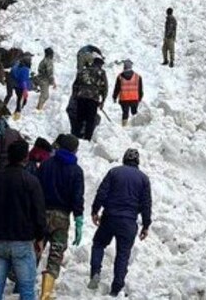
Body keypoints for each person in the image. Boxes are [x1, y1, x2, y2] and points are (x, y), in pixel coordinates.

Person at [0, 140, 47, 300]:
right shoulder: (31, 181)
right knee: (26, 289)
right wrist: (40, 237)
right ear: (25, 157)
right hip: (22, 242)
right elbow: (39, 213)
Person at [88, 148, 152, 297]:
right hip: (129, 222)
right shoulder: (143, 179)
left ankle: (95, 272)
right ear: (137, 162)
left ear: (124, 159)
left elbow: (101, 192)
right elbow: (146, 204)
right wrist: (146, 225)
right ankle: (116, 288)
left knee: (98, 244)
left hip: (109, 218)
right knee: (123, 254)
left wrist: (95, 211)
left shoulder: (114, 172)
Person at [37, 134, 85, 299]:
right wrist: (78, 218)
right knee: (56, 253)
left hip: (42, 214)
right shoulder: (76, 171)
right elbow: (77, 197)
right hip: (62, 217)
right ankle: (46, 293)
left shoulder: (46, 164)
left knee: (35, 248)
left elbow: (36, 188)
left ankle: (22, 284)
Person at [72, 53, 108, 140]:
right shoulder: (101, 72)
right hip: (93, 98)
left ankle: (76, 135)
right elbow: (105, 88)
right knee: (90, 119)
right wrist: (103, 100)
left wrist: (75, 96)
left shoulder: (83, 71)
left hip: (81, 97)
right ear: (100, 64)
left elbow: (75, 84)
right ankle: (87, 137)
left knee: (79, 118)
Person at [112, 60, 144, 126]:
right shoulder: (137, 76)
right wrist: (140, 97)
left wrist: (114, 97)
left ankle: (124, 125)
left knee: (125, 113)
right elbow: (140, 89)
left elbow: (117, 88)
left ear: (124, 67)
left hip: (124, 99)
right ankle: (135, 127)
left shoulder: (120, 76)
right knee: (134, 113)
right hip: (134, 98)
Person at [10, 56, 33, 121]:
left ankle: (17, 111)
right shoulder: (25, 69)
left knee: (20, 98)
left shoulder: (17, 65)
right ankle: (16, 115)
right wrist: (25, 89)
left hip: (16, 85)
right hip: (21, 87)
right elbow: (23, 80)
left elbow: (13, 71)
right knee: (22, 100)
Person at [36, 48, 57, 112]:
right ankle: (39, 109)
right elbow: (49, 73)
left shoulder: (43, 61)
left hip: (41, 79)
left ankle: (39, 107)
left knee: (44, 95)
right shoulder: (48, 61)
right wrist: (53, 82)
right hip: (44, 80)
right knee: (45, 95)